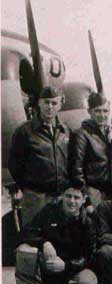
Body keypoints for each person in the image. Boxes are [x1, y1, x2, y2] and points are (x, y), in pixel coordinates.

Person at [15, 181, 98, 284]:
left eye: (76, 198)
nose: (71, 201)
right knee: (24, 250)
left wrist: (66, 265)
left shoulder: (88, 222)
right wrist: (44, 243)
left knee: (87, 283)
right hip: (48, 265)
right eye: (68, 196)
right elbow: (26, 233)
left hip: (72, 269)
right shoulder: (49, 211)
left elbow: (90, 256)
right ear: (62, 196)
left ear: (83, 200)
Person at [8, 85, 70, 226]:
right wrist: (29, 188)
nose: (50, 107)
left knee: (60, 239)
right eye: (46, 102)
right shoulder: (24, 131)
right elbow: (14, 164)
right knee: (35, 238)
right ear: (39, 103)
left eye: (54, 103)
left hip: (60, 197)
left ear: (60, 105)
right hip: (36, 198)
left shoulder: (66, 131)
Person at [69, 92, 112, 207]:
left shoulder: (109, 133)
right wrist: (87, 200)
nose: (102, 115)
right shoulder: (81, 134)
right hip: (93, 192)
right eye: (98, 111)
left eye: (105, 111)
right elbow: (76, 170)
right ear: (89, 111)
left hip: (110, 192)